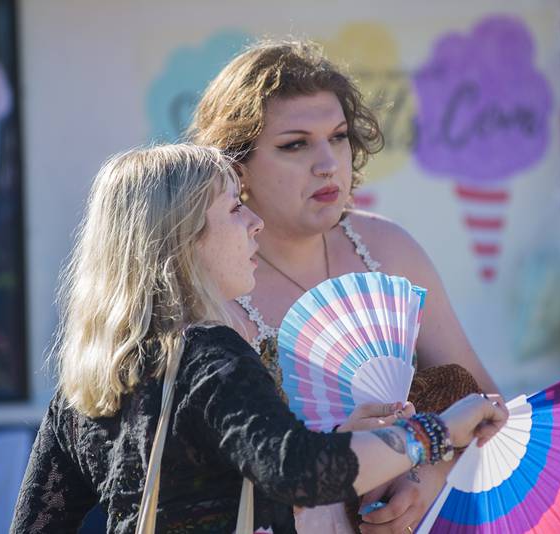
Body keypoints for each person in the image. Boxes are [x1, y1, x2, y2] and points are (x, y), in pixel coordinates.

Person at [10, 144, 507, 533]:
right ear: (182, 239)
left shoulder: (87, 387)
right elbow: (296, 472)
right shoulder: (210, 358)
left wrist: (333, 444)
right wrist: (440, 432)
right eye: (233, 210)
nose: (255, 224)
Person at [189, 40, 504, 532]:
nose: (327, 163)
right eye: (295, 144)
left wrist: (422, 479)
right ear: (236, 166)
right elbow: (199, 482)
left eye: (337, 137)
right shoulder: (209, 285)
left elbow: (486, 406)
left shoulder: (386, 248)